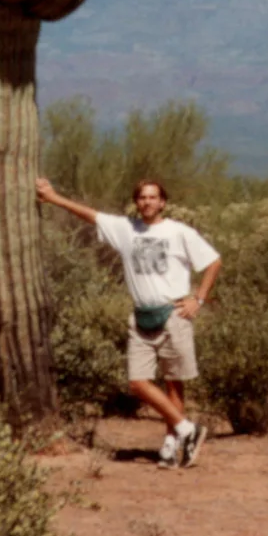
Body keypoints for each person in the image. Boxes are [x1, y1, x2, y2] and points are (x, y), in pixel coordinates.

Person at [35, 173, 221, 468]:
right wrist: (54, 198)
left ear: (162, 202)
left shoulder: (179, 232)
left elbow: (212, 261)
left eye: (152, 197)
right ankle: (188, 429)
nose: (147, 202)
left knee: (174, 384)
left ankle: (173, 446)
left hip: (174, 313)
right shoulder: (125, 229)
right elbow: (91, 216)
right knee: (138, 382)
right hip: (142, 316)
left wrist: (197, 299)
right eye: (142, 197)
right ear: (136, 202)